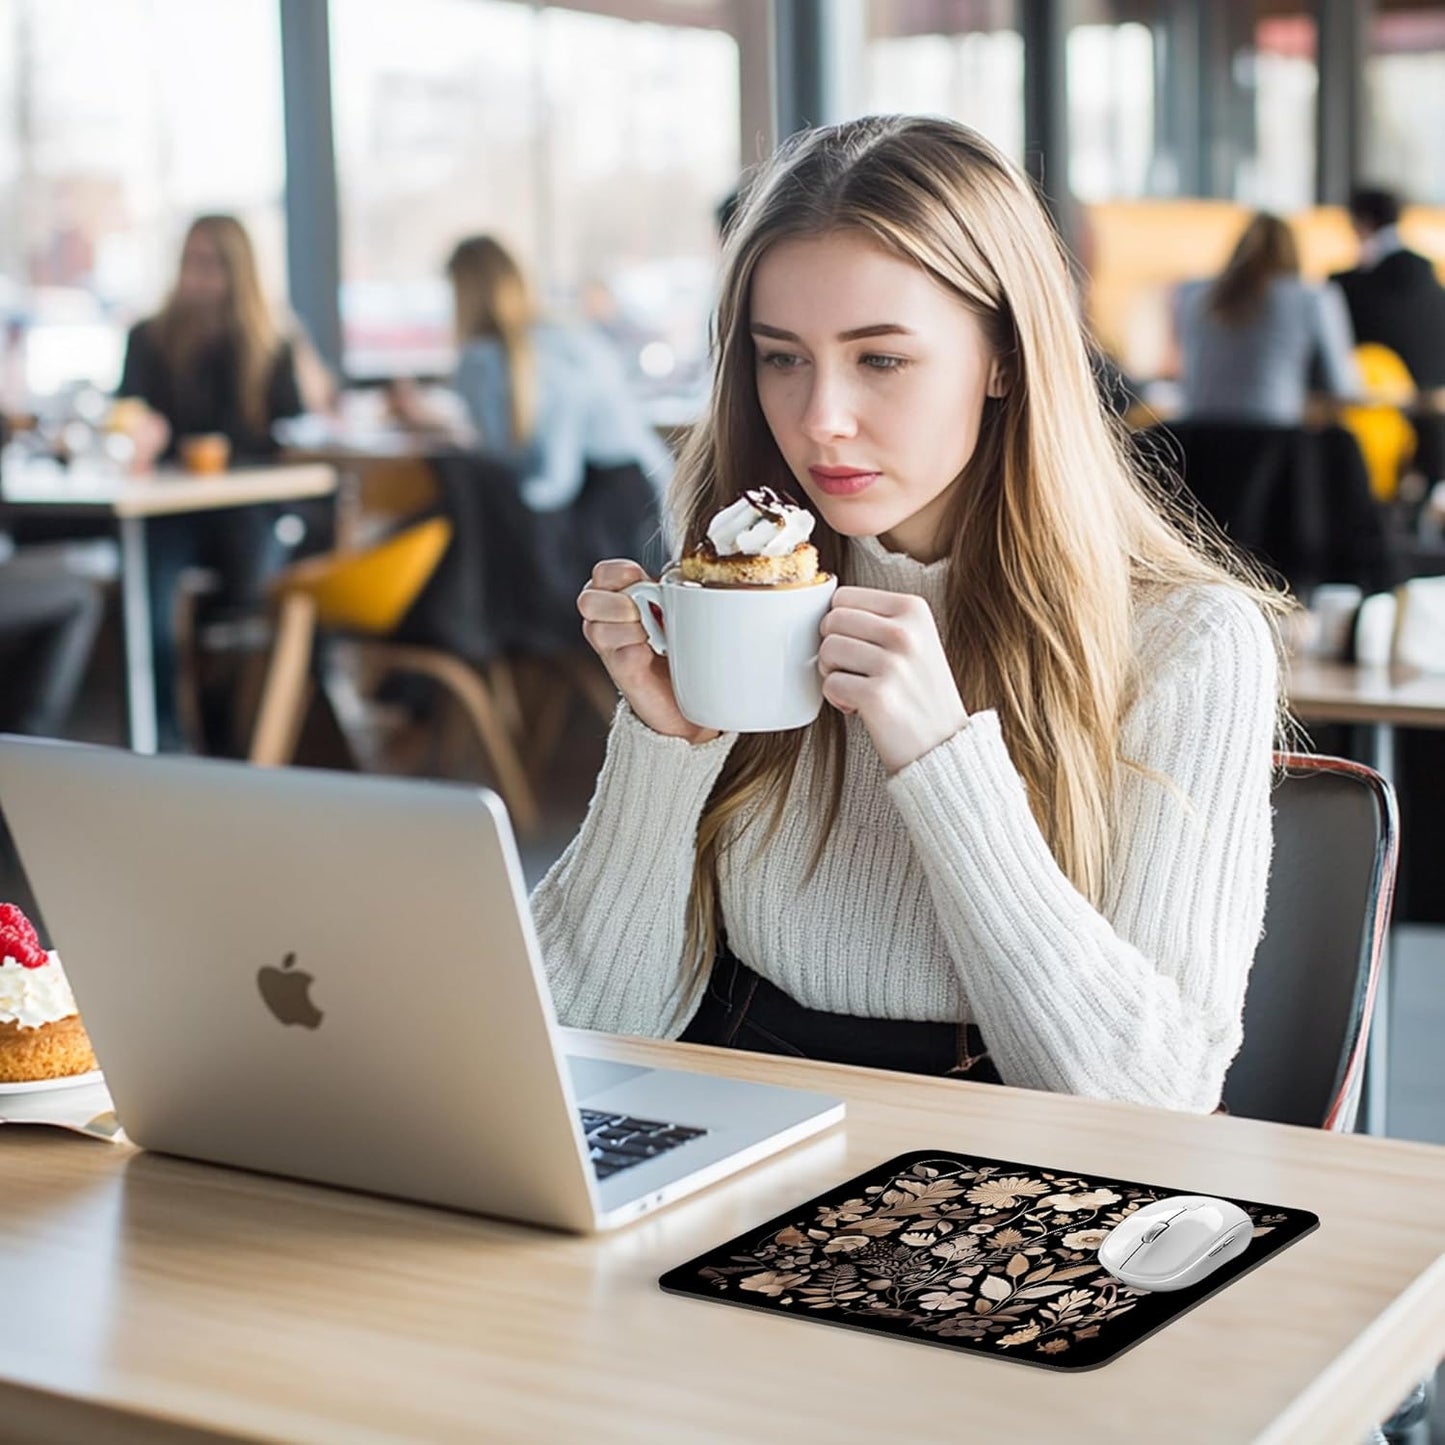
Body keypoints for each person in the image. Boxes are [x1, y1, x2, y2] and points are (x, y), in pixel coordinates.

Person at [535, 115, 1287, 1115]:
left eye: (879, 359)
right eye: (779, 357)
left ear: (1004, 357)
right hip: (736, 1128)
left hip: (1004, 1171)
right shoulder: (742, 596)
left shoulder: (1186, 642)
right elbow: (577, 1026)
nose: (816, 418)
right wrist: (663, 747)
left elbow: (1151, 1099)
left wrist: (942, 760)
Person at [116, 215, 305, 751]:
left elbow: (288, 432)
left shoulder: (271, 346)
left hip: (244, 508)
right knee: (144, 595)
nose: (197, 277)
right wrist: (140, 433)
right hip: (168, 509)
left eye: (210, 264)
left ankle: (233, 742)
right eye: (190, 262)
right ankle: (162, 742)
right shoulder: (148, 338)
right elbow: (129, 412)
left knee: (247, 597)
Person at [438, 235, 674, 513]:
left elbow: (504, 462)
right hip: (648, 498)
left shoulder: (481, 360)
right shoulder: (570, 334)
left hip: (579, 509)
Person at [1173, 212, 1359, 425]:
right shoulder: (1313, 298)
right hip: (1274, 443)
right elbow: (1342, 386)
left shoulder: (1192, 294)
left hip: (1196, 442)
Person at [1330, 186, 1445, 392]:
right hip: (1434, 411)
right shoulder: (1431, 281)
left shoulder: (1347, 288)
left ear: (1362, 223)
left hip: (1377, 410)